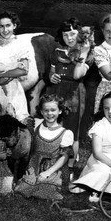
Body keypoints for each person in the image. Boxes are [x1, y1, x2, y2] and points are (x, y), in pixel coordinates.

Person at [47, 18, 92, 171]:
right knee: (55, 124)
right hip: (57, 91)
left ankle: (71, 164)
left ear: (80, 34)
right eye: (66, 35)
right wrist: (51, 77)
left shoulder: (87, 53)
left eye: (72, 34)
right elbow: (51, 72)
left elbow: (78, 75)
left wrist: (84, 52)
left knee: (73, 128)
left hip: (74, 93)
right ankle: (53, 157)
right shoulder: (57, 52)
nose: (69, 38)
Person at [15, 94, 74, 200]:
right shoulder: (37, 124)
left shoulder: (66, 133)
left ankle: (48, 188)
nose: (49, 113)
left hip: (54, 168)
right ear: (41, 112)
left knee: (47, 188)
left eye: (53, 110)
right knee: (24, 187)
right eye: (46, 110)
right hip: (34, 166)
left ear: (60, 111)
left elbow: (64, 157)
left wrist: (48, 172)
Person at [0, 11, 30, 122]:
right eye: (1, 26)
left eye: (8, 25)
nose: (5, 30)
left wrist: (1, 74)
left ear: (14, 26)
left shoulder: (20, 46)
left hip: (12, 90)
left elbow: (23, 70)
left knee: (13, 122)